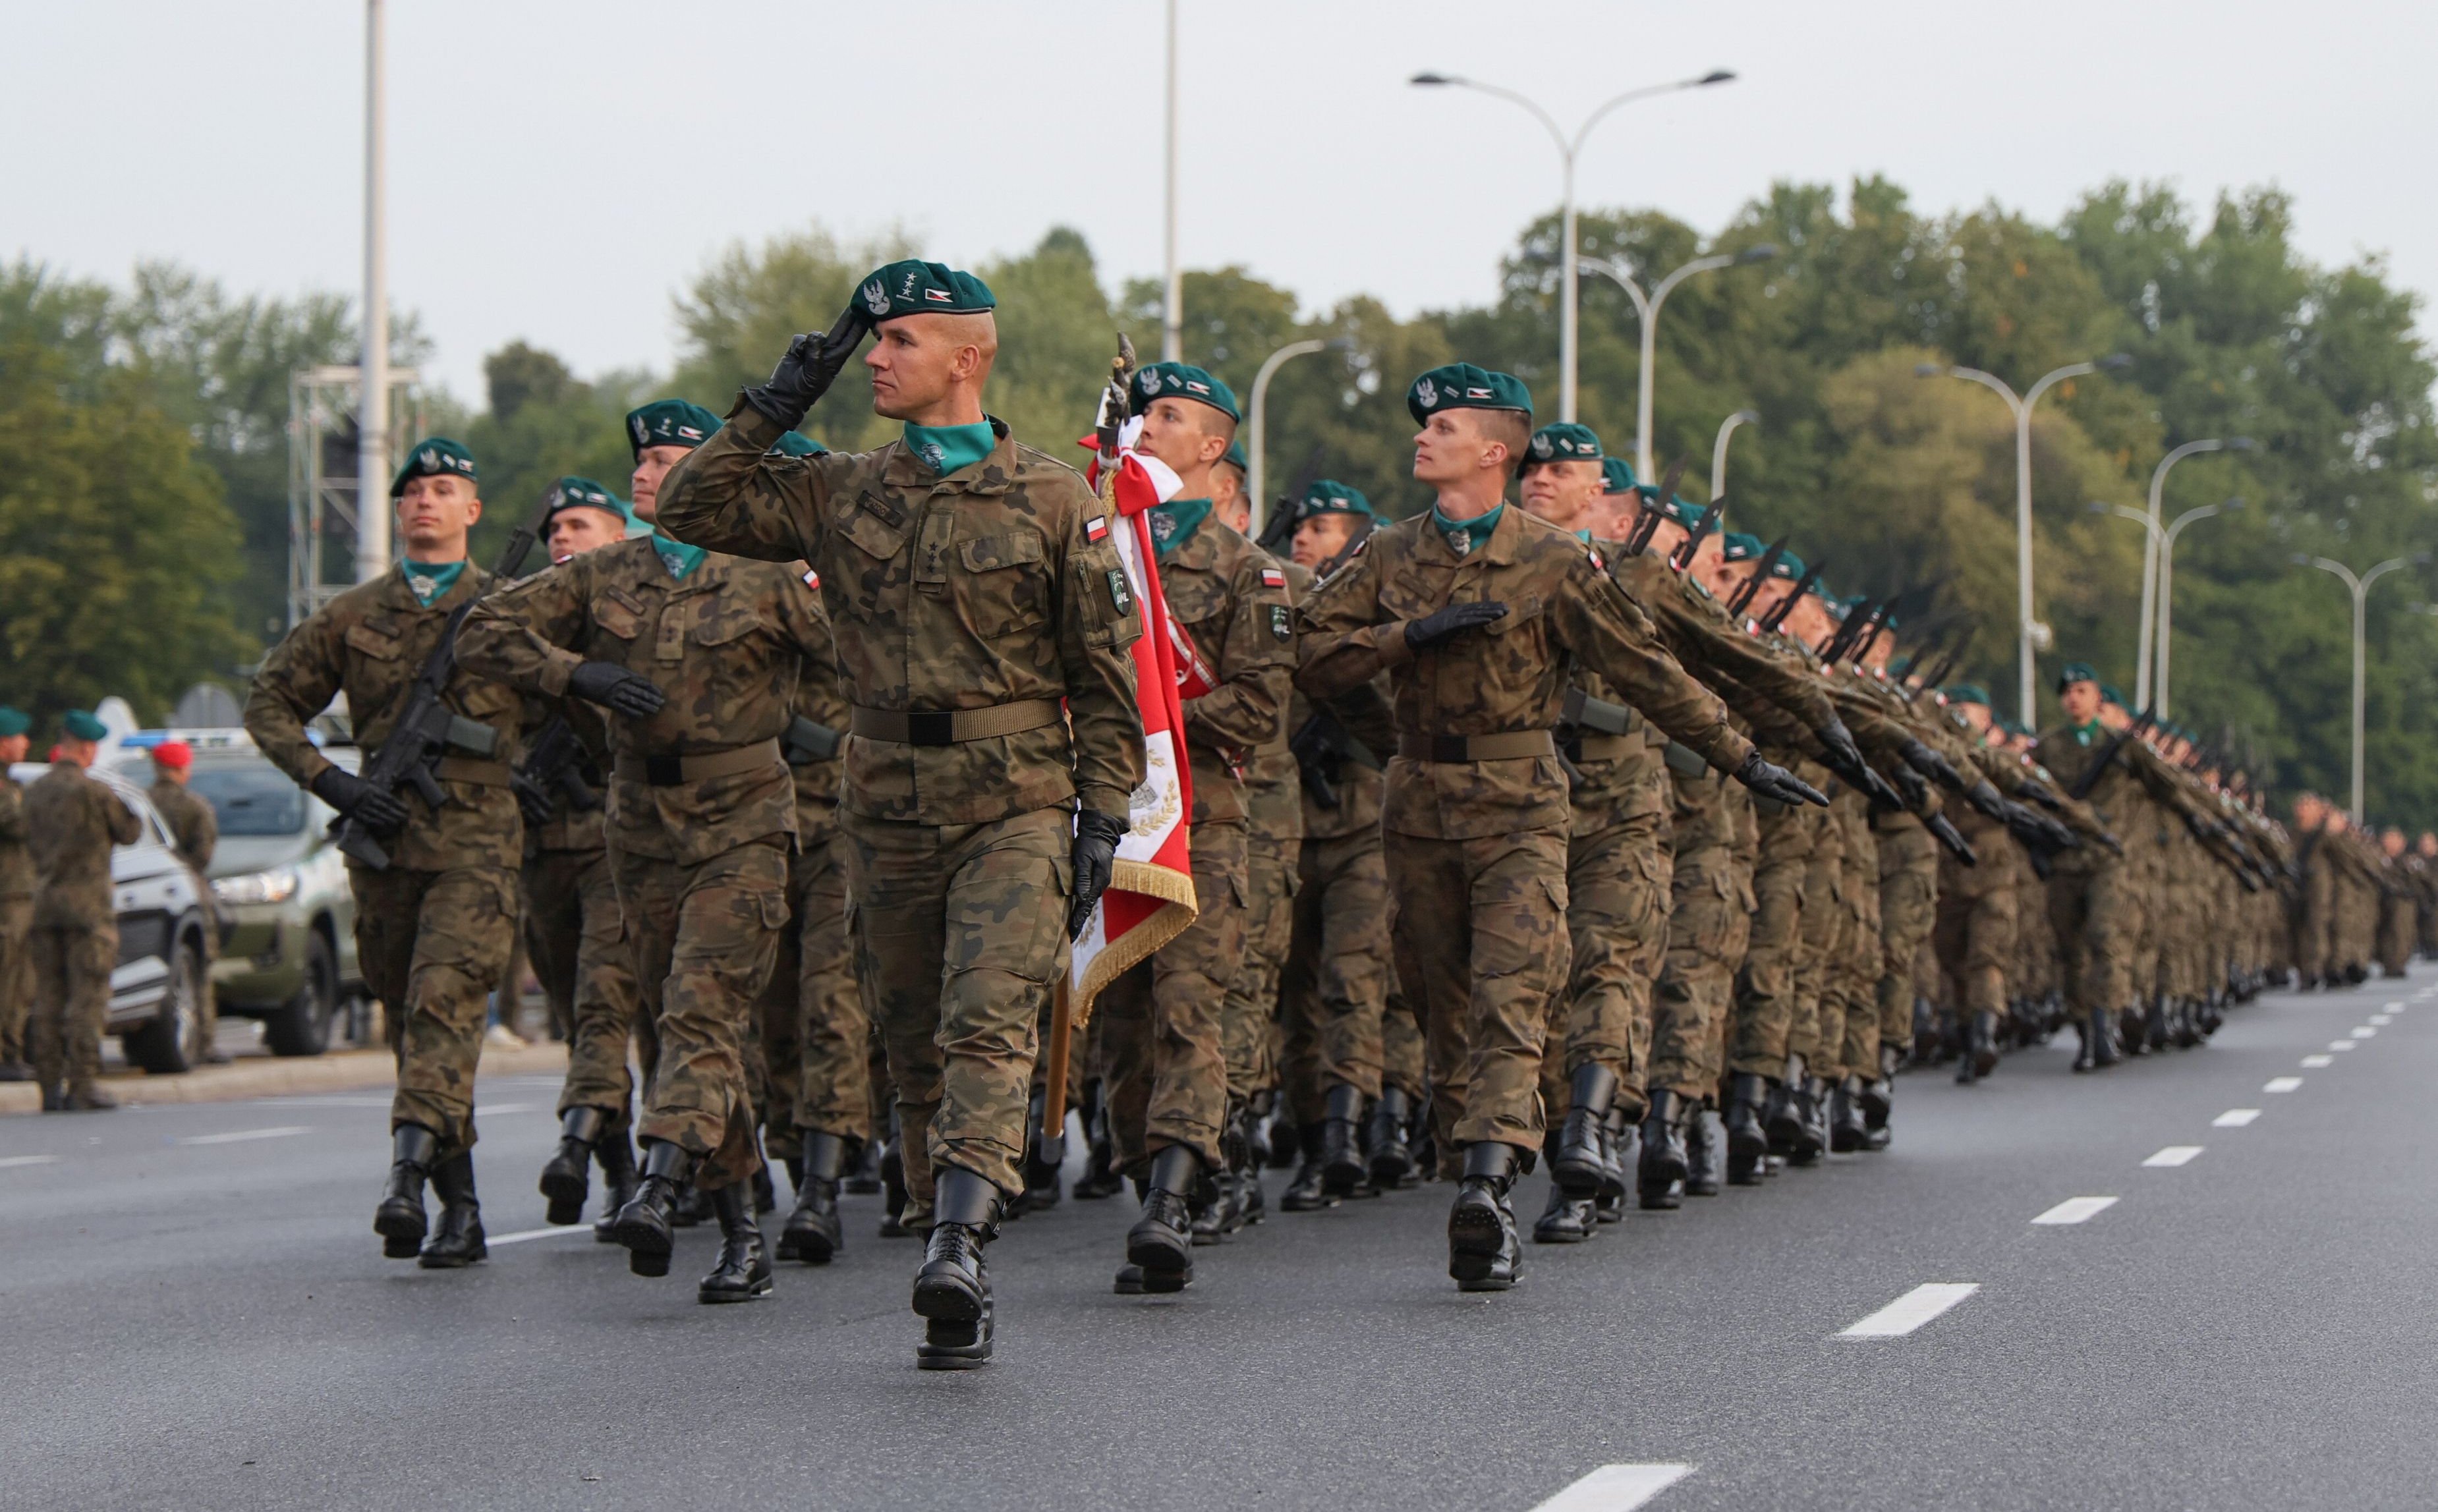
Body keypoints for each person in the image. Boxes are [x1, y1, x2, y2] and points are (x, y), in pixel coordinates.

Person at [652, 260, 1147, 1368]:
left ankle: (961, 1247)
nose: (874, 360)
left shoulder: (1055, 498)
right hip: (882, 808)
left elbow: (1104, 677)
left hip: (1016, 797)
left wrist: (1102, 818)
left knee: (985, 1022)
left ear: (968, 358)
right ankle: (947, 1219)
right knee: (913, 1041)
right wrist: (776, 404)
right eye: (869, 345)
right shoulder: (843, 489)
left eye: (898, 343)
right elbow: (691, 507)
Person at [1295, 363, 1823, 1291]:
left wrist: (1742, 756)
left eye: (1444, 427)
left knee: (1512, 992)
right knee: (1437, 999)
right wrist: (1402, 641)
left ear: (1492, 450)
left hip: (1524, 804)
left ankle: (1488, 1187)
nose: (1422, 436)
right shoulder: (1387, 554)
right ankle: (1484, 1149)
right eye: (1424, 425)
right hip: (1418, 806)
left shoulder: (1552, 562)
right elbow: (1309, 652)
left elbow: (1651, 669)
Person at [461, 400, 836, 1308]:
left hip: (745, 816)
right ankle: (745, 1225)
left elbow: (867, 664)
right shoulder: (602, 574)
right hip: (639, 823)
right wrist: (575, 672)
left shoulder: (771, 578)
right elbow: (483, 630)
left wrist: (819, 737)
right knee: (683, 1027)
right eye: (641, 460)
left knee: (702, 1011)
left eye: (669, 456)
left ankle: (660, 1184)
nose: (646, 471)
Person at [244, 435, 526, 1266]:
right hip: (383, 844)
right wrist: (330, 782)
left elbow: (563, 691)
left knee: (443, 1002)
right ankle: (462, 1204)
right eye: (411, 493)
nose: (424, 503)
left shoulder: (512, 604)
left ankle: (405, 1174)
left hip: (478, 842)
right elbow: (270, 703)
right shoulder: (353, 614)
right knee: (415, 1022)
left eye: (442, 490)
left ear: (471, 510)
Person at [1089, 360, 1290, 1293]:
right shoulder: (1099, 550)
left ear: (1212, 447)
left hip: (1202, 820)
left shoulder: (1251, 573)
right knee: (1120, 1023)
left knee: (1189, 1011)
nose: (1146, 426)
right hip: (1110, 818)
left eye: (1167, 415)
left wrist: (1162, 716)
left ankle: (1173, 1195)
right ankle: (1144, 1170)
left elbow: (1256, 708)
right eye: (1141, 412)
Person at [515, 474, 647, 1240]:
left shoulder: (636, 616)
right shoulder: (525, 618)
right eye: (555, 528)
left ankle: (589, 1149)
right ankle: (618, 1161)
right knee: (576, 1015)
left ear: (615, 537)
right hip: (543, 849)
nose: (562, 539)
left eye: (579, 526)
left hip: (619, 840)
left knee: (605, 1002)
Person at [25, 710, 141, 1110]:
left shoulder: (35, 790)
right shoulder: (95, 792)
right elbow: (130, 831)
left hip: (43, 906)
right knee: (87, 998)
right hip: (89, 911)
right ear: (88, 748)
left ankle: (49, 1088)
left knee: (48, 999)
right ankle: (83, 1083)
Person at [146, 739, 227, 1065]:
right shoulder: (196, 806)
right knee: (198, 968)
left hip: (149, 891)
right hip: (189, 890)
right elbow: (204, 855)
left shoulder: (141, 801)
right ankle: (203, 1042)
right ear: (182, 768)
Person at [0, 706, 34, 1082]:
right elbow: (16, 824)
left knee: (21, 981)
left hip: (20, 894)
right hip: (6, 897)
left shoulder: (13, 785)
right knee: (7, 978)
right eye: (18, 737)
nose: (26, 743)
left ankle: (12, 1050)